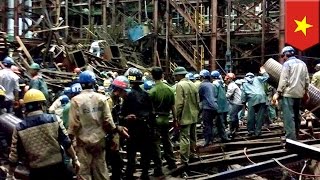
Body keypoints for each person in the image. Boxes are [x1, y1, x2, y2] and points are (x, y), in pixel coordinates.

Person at [68, 70, 128, 180]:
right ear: (94, 83)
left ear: (81, 84)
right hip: (100, 140)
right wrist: (115, 133)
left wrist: (69, 141)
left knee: (84, 172)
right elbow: (108, 121)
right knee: (101, 170)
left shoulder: (75, 101)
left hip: (83, 141)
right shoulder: (102, 98)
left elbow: (74, 125)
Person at [8, 89, 80, 180]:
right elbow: (66, 142)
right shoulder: (54, 119)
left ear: (25, 107)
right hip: (58, 168)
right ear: (41, 105)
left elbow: (14, 155)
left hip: (37, 172)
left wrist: (10, 175)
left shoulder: (19, 128)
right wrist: (75, 159)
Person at [121, 68, 153, 180]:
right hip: (145, 127)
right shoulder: (146, 95)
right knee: (145, 152)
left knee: (131, 152)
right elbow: (151, 113)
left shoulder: (128, 96)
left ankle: (129, 174)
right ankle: (145, 174)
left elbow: (123, 113)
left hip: (133, 128)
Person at [273, 46, 310, 140]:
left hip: (289, 94)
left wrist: (277, 93)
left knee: (289, 117)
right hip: (299, 94)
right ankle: (296, 134)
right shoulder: (302, 64)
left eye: (283, 56)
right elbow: (306, 79)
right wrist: (306, 92)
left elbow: (283, 80)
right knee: (297, 115)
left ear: (286, 54)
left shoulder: (287, 64)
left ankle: (291, 139)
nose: (283, 58)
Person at [148, 67, 177, 176]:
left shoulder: (152, 91)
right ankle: (172, 162)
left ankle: (158, 168)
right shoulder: (170, 89)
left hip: (156, 120)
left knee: (155, 144)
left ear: (152, 76)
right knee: (167, 141)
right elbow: (173, 106)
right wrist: (175, 119)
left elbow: (149, 110)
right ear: (162, 75)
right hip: (166, 119)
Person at [173, 66, 199, 177]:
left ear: (179, 75)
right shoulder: (193, 84)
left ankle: (184, 160)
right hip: (194, 115)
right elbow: (198, 101)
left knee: (184, 137)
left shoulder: (180, 85)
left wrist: (176, 117)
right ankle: (193, 154)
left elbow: (179, 104)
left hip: (185, 115)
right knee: (193, 136)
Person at [107, 76, 131, 180]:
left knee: (116, 159)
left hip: (114, 133)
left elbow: (117, 116)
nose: (126, 94)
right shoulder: (108, 101)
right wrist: (118, 128)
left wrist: (125, 118)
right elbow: (106, 121)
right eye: (124, 91)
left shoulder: (118, 100)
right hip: (107, 134)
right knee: (113, 159)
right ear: (117, 91)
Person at [241, 67, 269, 137]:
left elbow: (244, 94)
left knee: (251, 116)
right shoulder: (257, 78)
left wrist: (243, 102)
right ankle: (258, 132)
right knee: (260, 117)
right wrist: (263, 72)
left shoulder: (244, 83)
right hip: (262, 98)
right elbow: (267, 77)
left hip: (252, 99)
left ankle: (251, 131)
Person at [198, 69, 218, 146]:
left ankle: (207, 141)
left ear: (202, 77)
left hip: (207, 107)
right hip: (214, 107)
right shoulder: (212, 85)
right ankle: (211, 139)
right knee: (211, 124)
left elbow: (200, 97)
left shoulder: (202, 85)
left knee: (206, 125)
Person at [211, 70, 230, 142]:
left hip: (219, 107)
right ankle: (221, 136)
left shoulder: (214, 84)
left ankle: (223, 138)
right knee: (221, 123)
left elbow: (214, 95)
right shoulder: (221, 83)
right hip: (224, 106)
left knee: (219, 123)